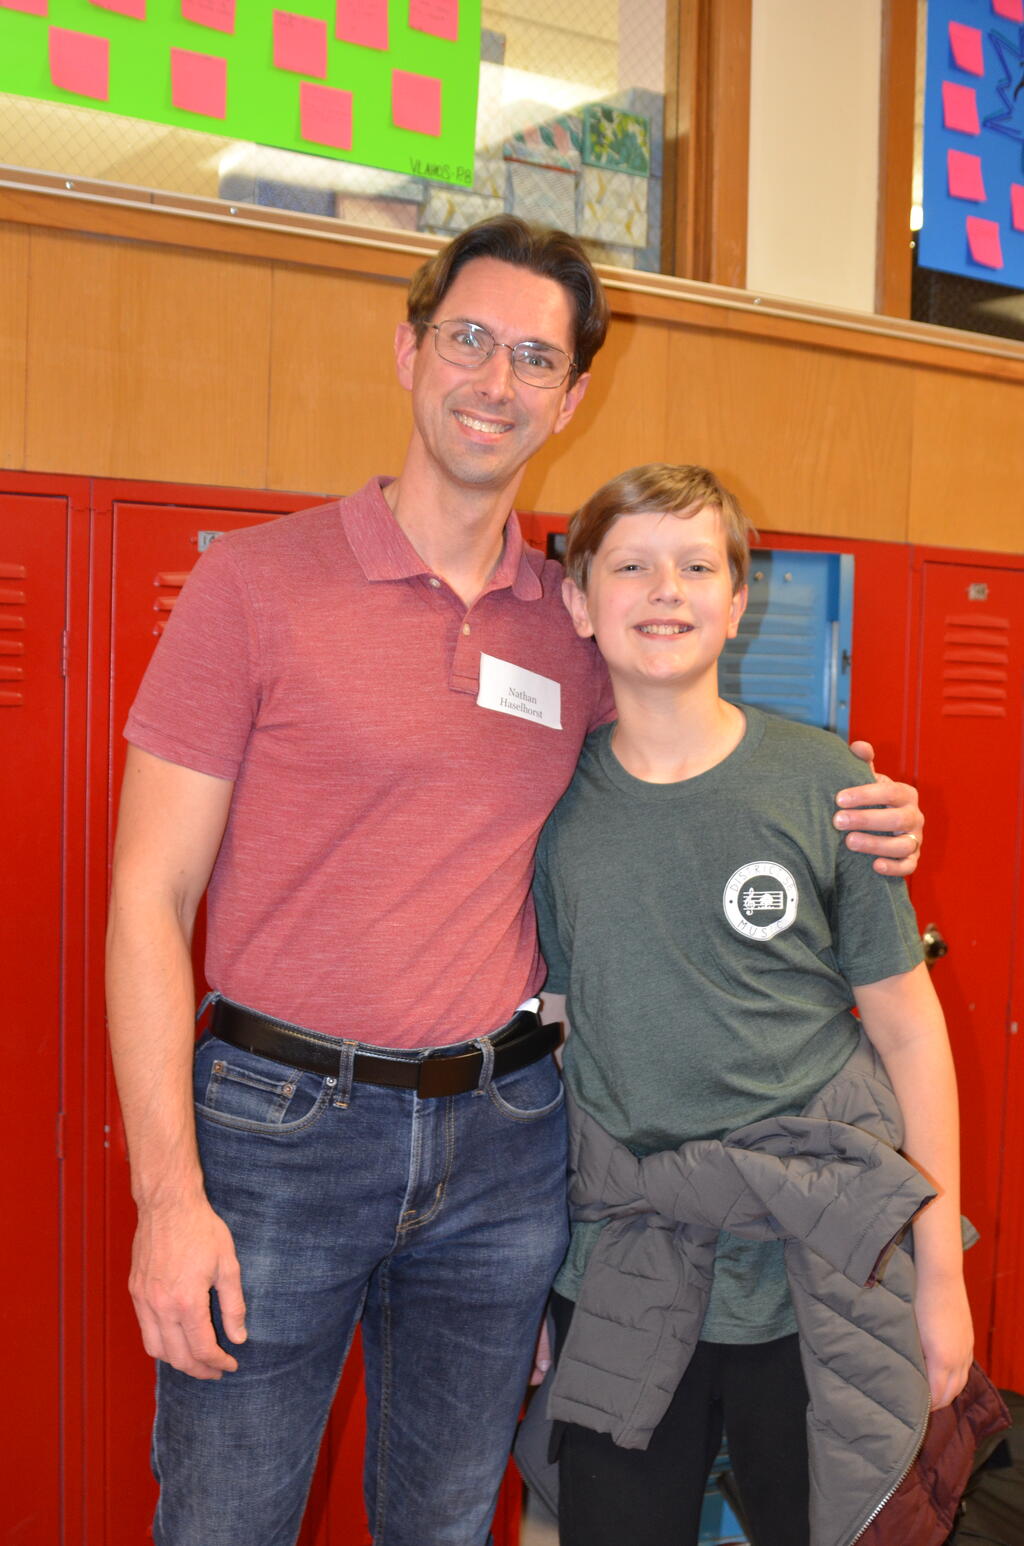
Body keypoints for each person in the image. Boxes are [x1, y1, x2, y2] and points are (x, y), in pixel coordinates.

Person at [105, 222, 925, 1546]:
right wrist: (168, 1196)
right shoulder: (253, 585)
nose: (496, 380)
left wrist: (860, 797)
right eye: (470, 339)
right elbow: (149, 896)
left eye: (535, 358)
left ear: (570, 396)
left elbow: (694, 757)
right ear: (410, 350)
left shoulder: (572, 617)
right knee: (224, 1520)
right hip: (281, 1134)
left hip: (504, 1144)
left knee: (442, 1523)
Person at [530, 463, 973, 1546]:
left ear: (737, 601)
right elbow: (550, 1035)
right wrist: (533, 1279)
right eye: (630, 567)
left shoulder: (825, 787)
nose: (664, 591)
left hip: (817, 1264)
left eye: (696, 567)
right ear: (579, 601)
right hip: (628, 1261)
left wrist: (941, 1274)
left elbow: (909, 1027)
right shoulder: (550, 808)